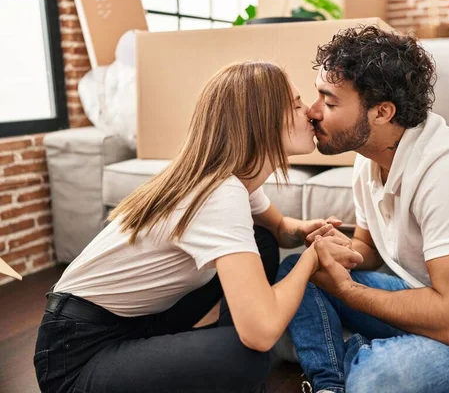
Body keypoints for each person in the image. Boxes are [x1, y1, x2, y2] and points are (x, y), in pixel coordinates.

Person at [33, 61, 359, 393]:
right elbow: (261, 334)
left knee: (260, 241)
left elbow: (277, 228)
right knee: (251, 353)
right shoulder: (220, 192)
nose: (311, 113)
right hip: (75, 354)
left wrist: (305, 231)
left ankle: (223, 349)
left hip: (137, 323)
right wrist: (311, 258)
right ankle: (229, 353)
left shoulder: (235, 178)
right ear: (261, 121)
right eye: (297, 104)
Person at [277, 25, 449, 393]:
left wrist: (349, 292)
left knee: (376, 379)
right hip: (424, 295)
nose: (313, 112)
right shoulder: (370, 158)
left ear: (381, 112)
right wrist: (336, 252)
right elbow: (370, 248)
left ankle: (360, 361)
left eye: (329, 102)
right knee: (298, 270)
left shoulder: (448, 171)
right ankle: (330, 384)